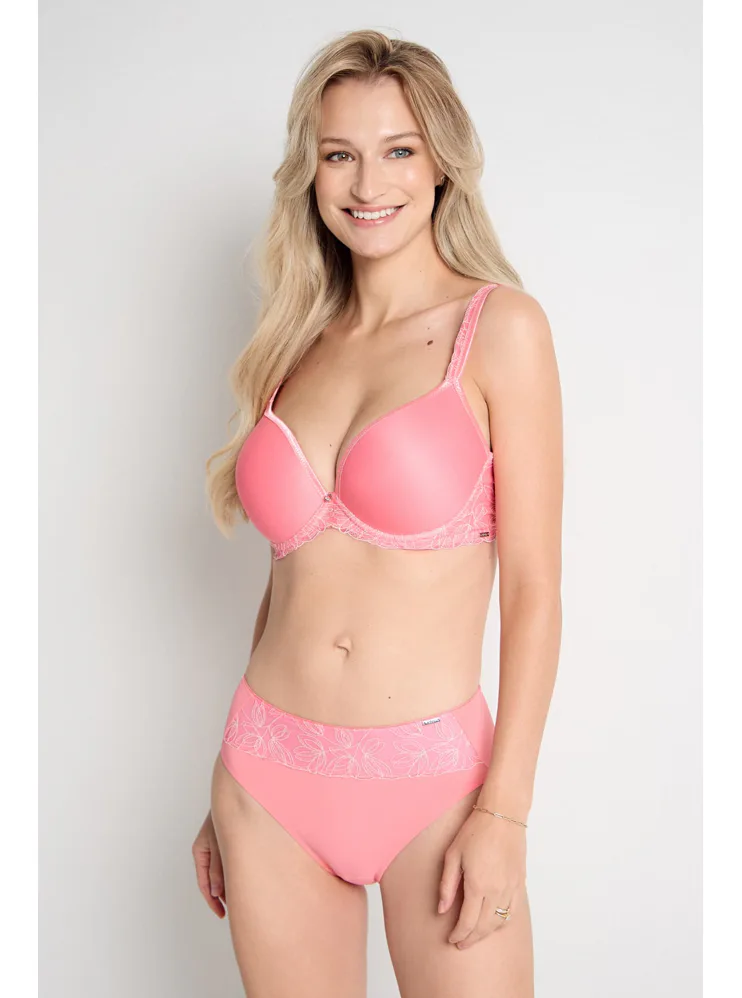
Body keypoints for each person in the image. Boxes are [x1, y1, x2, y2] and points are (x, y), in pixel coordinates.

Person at [192, 28, 562, 998]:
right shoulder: (294, 341)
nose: (368, 183)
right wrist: (226, 780)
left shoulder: (500, 329)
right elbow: (292, 578)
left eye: (398, 149)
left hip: (435, 787)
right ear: (309, 172)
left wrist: (505, 813)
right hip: (266, 776)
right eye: (338, 154)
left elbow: (533, 591)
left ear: (442, 162)